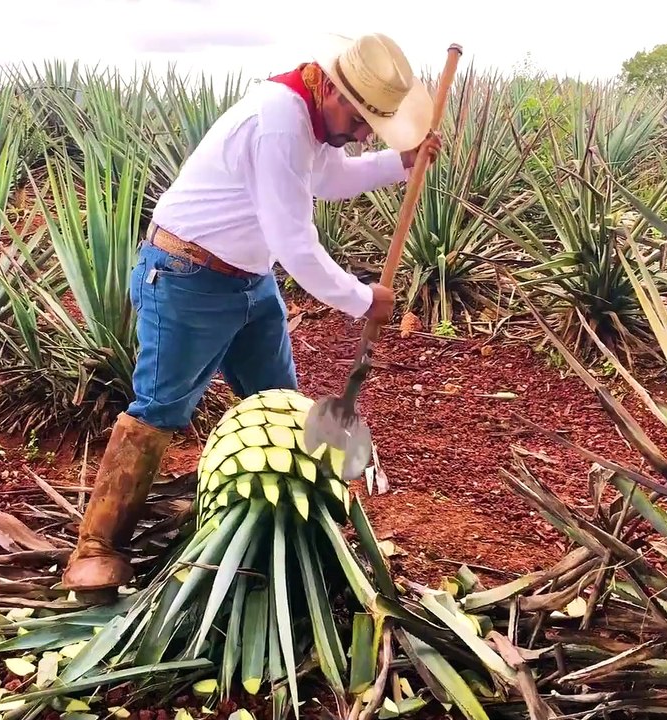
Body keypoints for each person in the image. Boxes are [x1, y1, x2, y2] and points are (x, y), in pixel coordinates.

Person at [62, 32, 443, 591]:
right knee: (161, 407)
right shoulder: (278, 121)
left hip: (248, 279)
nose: (364, 136)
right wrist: (362, 299)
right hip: (186, 276)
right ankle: (97, 547)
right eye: (364, 122)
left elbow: (329, 179)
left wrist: (400, 162)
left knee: (277, 401)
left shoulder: (312, 118)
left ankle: (281, 526)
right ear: (335, 90)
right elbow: (294, 242)